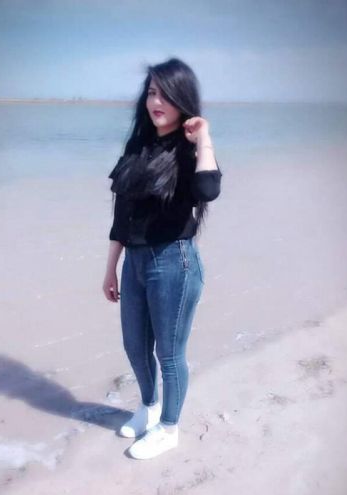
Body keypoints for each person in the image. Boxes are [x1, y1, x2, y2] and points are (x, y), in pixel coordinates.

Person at [102, 57, 222, 460]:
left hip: (174, 262)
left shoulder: (190, 151)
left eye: (166, 94)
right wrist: (111, 267)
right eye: (152, 92)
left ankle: (169, 428)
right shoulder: (138, 146)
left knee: (169, 354)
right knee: (134, 345)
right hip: (134, 264)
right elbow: (122, 216)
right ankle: (149, 408)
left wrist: (204, 138)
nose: (156, 101)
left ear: (182, 100)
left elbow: (208, 191)